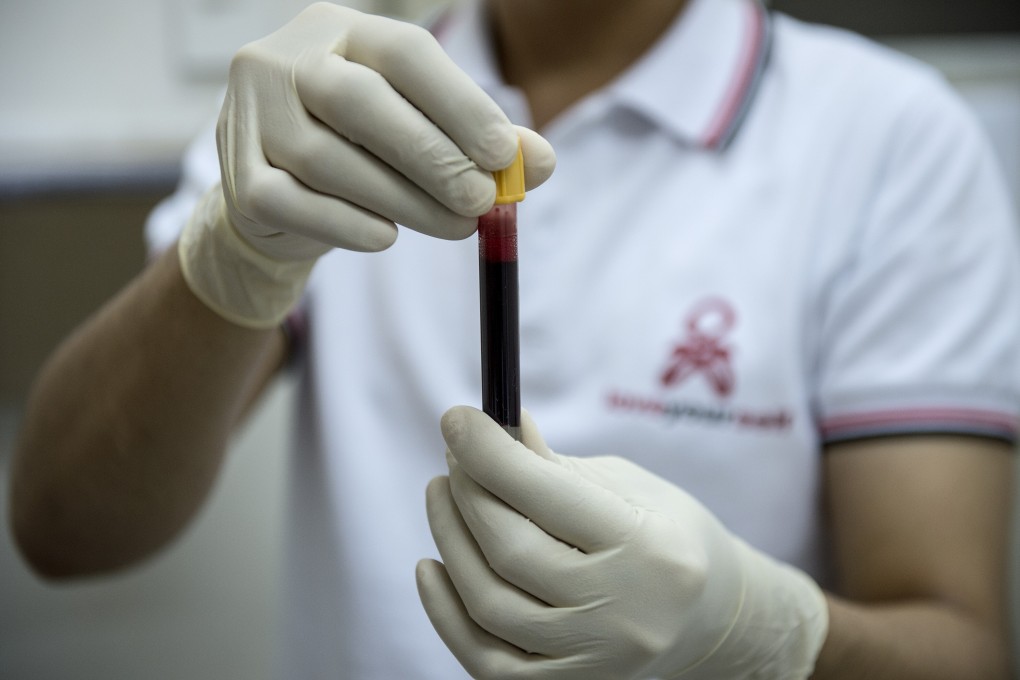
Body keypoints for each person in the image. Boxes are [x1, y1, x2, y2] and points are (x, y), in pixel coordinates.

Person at [9, 0, 1019, 677]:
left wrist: (761, 630)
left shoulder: (889, 139)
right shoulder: (331, 99)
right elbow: (61, 525)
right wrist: (229, 253)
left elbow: (961, 642)